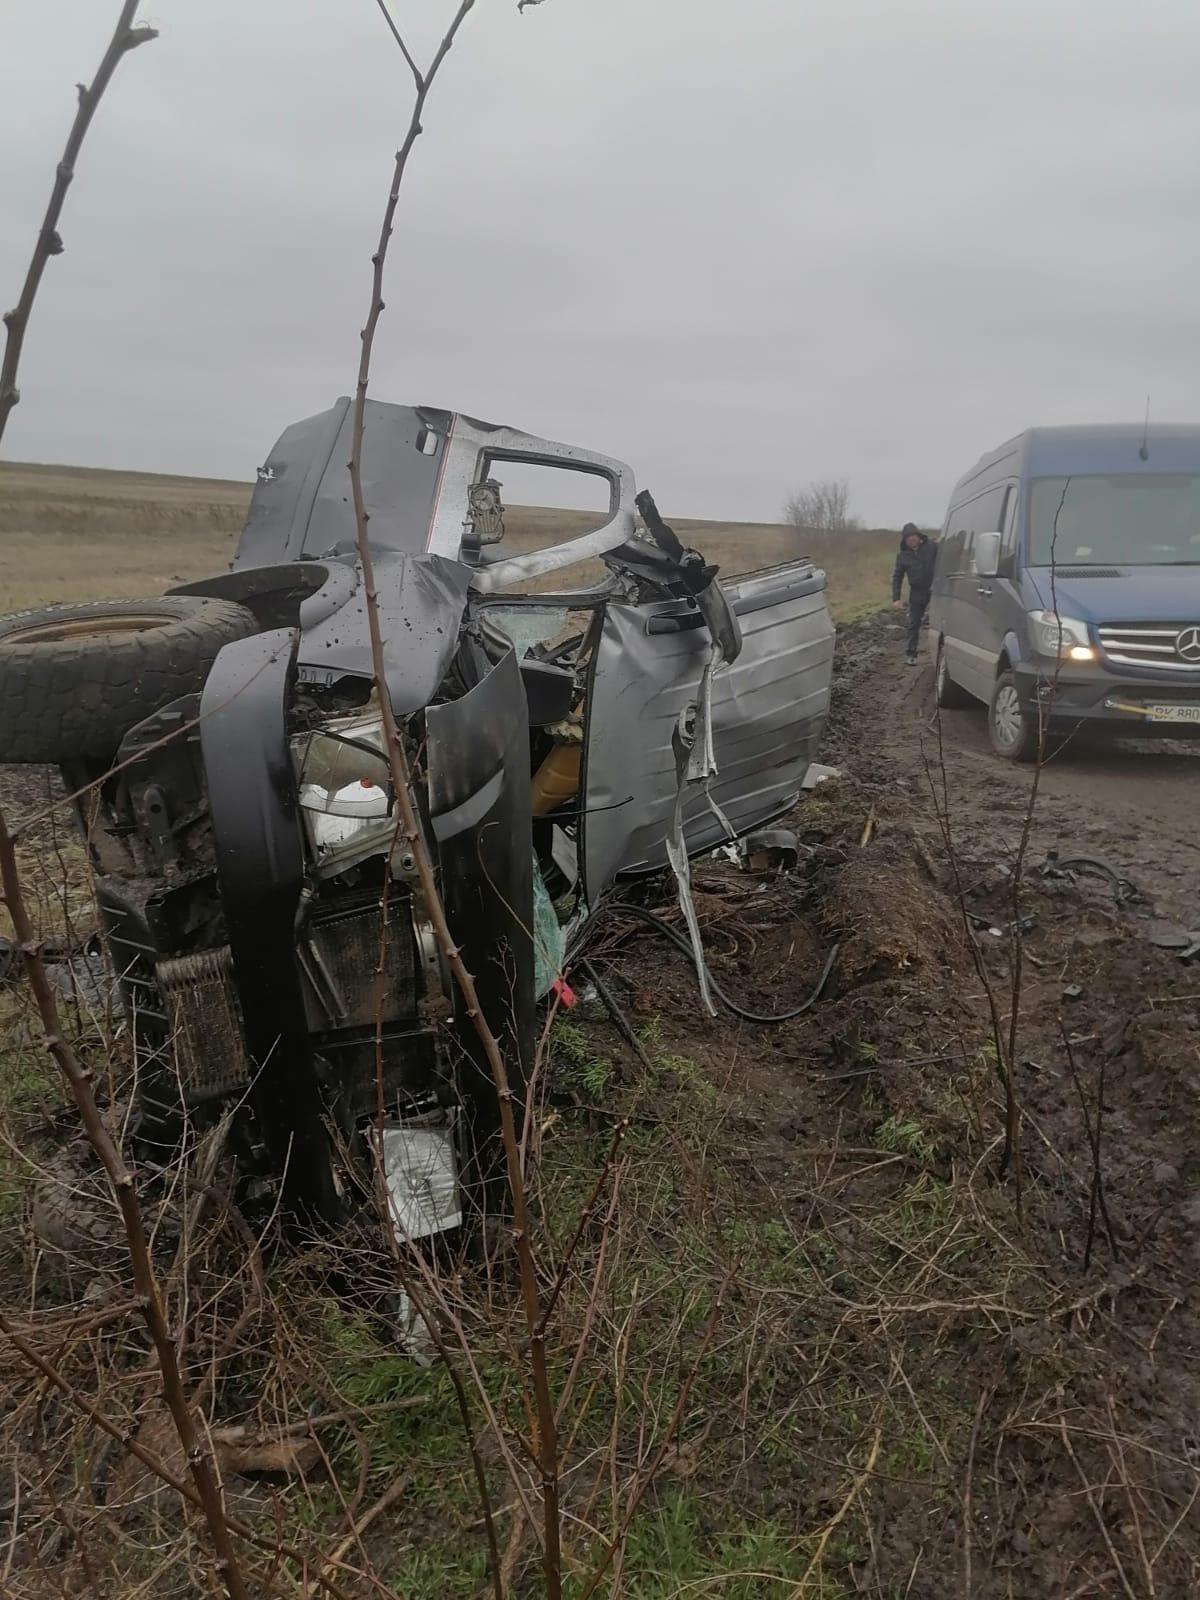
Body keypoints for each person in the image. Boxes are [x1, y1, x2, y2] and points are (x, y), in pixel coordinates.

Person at [892, 522, 936, 666]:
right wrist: (896, 598)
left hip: (935, 589)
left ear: (918, 536)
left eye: (913, 537)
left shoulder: (931, 546)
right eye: (908, 538)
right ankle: (911, 654)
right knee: (913, 623)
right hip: (917, 592)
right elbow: (897, 577)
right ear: (905, 540)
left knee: (940, 621)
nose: (911, 540)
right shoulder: (903, 555)